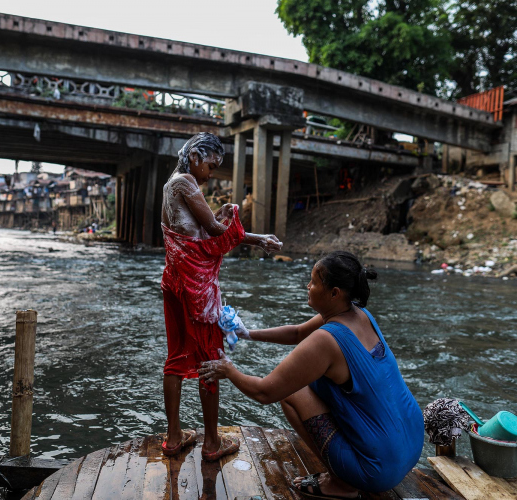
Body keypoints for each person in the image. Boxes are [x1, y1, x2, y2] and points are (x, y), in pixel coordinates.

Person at [198, 251, 423, 498]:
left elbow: (264, 392)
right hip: (411, 445)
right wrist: (247, 333)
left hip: (378, 471)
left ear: (334, 293)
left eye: (314, 282)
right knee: (319, 382)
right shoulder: (359, 314)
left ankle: (342, 484)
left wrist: (228, 370)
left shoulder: (326, 341)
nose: (308, 286)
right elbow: (296, 333)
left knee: (291, 391)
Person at [160, 132, 283, 461]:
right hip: (194, 286)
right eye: (211, 166)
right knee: (210, 360)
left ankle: (174, 438)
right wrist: (245, 228)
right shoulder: (186, 181)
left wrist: (222, 215)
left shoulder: (173, 184)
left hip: (172, 280)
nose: (211, 173)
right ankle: (212, 443)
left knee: (175, 358)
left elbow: (194, 227)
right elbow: (213, 230)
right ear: (196, 157)